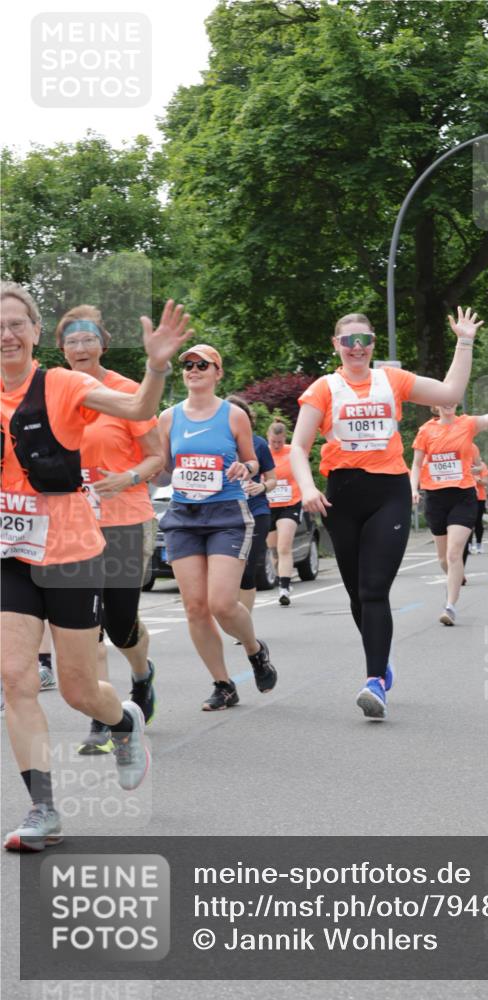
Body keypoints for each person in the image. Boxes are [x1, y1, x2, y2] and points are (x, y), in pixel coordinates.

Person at [1, 282, 191, 851]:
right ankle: (43, 811)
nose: (6, 335)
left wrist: (157, 367)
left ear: (37, 333)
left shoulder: (63, 385)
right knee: (15, 677)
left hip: (72, 552)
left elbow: (137, 409)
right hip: (10, 553)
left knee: (82, 690)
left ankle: (124, 721)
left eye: (16, 324)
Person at [290, 306, 487, 719]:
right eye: (349, 341)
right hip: (342, 496)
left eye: (364, 340)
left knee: (374, 589)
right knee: (356, 594)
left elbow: (450, 394)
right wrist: (307, 487)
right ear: (336, 345)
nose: (357, 347)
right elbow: (298, 446)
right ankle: (380, 659)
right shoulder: (324, 388)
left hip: (389, 493)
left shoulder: (391, 379)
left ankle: (375, 680)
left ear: (374, 344)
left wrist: (464, 342)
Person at [56, 305, 163, 754]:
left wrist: (129, 477)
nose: (80, 348)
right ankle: (102, 717)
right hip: (74, 526)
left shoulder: (126, 392)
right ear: (61, 349)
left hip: (124, 520)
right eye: (71, 341)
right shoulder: (54, 393)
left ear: (102, 343)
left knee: (120, 626)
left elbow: (157, 458)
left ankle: (142, 674)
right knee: (88, 624)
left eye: (88, 340)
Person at [156, 345, 278, 710]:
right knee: (195, 607)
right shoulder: (168, 417)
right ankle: (223, 684)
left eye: (202, 365)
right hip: (183, 516)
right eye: (188, 366)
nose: (193, 370)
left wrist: (246, 469)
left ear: (217, 372)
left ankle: (255, 651)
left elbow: (253, 460)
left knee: (222, 603)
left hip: (226, 514)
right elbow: (162, 468)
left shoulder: (233, 415)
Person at [410, 380, 488, 627]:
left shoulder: (467, 424)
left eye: (452, 399)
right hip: (435, 497)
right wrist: (413, 488)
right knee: (444, 559)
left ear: (456, 402)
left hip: (463, 495)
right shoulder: (426, 431)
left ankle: (450, 606)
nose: (448, 403)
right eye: (443, 399)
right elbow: (416, 464)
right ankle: (456, 578)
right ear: (435, 404)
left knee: (454, 553)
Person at [226, 396, 277, 618]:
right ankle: (232, 615)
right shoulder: (216, 444)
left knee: (248, 569)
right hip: (226, 514)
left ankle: (244, 622)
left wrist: (262, 487)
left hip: (257, 512)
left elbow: (273, 479)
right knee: (230, 571)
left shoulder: (258, 444)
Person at [266, 421, 302, 606]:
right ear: (268, 438)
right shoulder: (263, 453)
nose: (277, 445)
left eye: (280, 442)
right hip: (269, 506)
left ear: (284, 439)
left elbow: (303, 473)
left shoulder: (292, 452)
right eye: (273, 442)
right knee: (273, 551)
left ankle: (284, 589)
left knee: (283, 547)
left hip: (290, 503)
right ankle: (283, 578)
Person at [468, 445, 488, 555]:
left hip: (479, 497)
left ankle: (479, 544)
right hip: (466, 496)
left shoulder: (481, 466)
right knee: (467, 522)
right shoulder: (463, 464)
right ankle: (468, 545)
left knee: (477, 522)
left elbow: (486, 482)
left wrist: (477, 479)